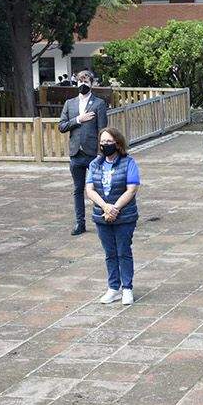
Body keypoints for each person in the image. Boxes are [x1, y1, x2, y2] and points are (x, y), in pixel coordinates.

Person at [86, 127, 141, 306]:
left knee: (123, 251)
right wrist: (105, 207)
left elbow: (131, 189)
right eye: (102, 142)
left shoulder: (129, 162)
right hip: (101, 215)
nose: (105, 145)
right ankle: (113, 287)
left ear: (117, 143)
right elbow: (89, 189)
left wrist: (114, 208)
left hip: (124, 215)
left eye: (109, 142)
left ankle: (127, 288)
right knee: (110, 253)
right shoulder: (95, 164)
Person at [58, 70, 110, 235]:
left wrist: (101, 153)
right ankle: (80, 223)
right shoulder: (70, 103)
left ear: (92, 83)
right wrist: (79, 119)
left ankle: (104, 217)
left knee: (99, 188)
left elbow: (103, 130)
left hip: (92, 153)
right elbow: (62, 126)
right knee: (77, 189)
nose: (83, 84)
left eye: (86, 81)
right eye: (80, 81)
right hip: (76, 153)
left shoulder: (99, 103)